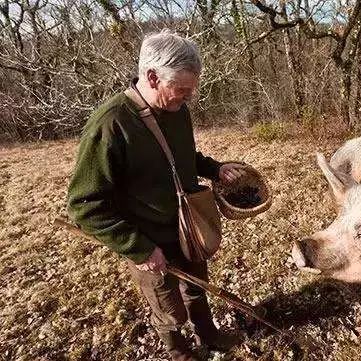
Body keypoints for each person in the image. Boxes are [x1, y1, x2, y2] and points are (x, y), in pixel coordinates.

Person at [66, 30, 246, 361]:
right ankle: (178, 350)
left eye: (191, 91)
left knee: (197, 286)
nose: (187, 98)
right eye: (181, 90)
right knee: (167, 306)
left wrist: (215, 168)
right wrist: (139, 248)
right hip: (150, 240)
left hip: (188, 227)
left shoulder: (177, 110)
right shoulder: (110, 125)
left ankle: (208, 333)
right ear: (152, 77)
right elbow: (84, 205)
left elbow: (183, 156)